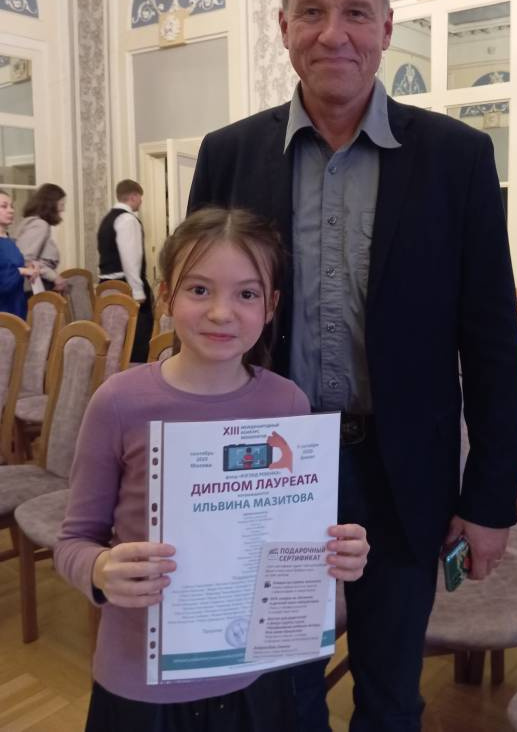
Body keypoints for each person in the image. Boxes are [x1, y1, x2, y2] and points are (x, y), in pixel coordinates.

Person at [187, 0, 517, 731]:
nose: (332, 33)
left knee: (389, 691)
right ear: (282, 27)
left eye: (355, 13)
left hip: (402, 472)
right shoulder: (228, 155)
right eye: (311, 12)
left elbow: (490, 342)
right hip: (265, 467)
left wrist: (490, 501)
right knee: (280, 686)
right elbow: (196, 325)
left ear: (385, 28)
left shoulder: (456, 158)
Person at [54, 206, 369, 732]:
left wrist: (340, 552)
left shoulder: (287, 404)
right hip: (142, 679)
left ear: (271, 306)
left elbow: (297, 535)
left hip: (255, 675)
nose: (222, 312)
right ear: (166, 296)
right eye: (199, 289)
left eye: (246, 294)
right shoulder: (119, 402)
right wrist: (100, 571)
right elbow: (72, 541)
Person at [97, 179, 153, 362]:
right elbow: (131, 259)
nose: (141, 201)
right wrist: (137, 291)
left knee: (113, 335)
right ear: (134, 196)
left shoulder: (107, 219)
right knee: (138, 335)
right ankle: (136, 369)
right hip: (125, 287)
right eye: (140, 197)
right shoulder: (128, 219)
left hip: (106, 286)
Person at [14, 183, 67, 294]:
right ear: (51, 204)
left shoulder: (31, 222)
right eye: (61, 204)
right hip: (35, 285)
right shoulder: (39, 225)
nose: (63, 209)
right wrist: (54, 277)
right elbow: (25, 260)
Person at [0, 189, 38, 318]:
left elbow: (10, 264)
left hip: (17, 305)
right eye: (4, 206)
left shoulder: (9, 240)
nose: (11, 210)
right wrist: (22, 271)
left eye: (12, 206)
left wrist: (28, 266)